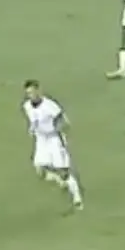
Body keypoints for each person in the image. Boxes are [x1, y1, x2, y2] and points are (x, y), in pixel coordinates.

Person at [22, 80, 84, 209]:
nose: (31, 95)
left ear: (38, 91)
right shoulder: (27, 106)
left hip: (54, 139)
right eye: (28, 93)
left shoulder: (49, 105)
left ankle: (77, 198)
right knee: (40, 170)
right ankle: (61, 182)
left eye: (33, 92)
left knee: (63, 171)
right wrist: (32, 129)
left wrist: (60, 131)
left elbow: (63, 120)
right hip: (41, 140)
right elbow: (34, 120)